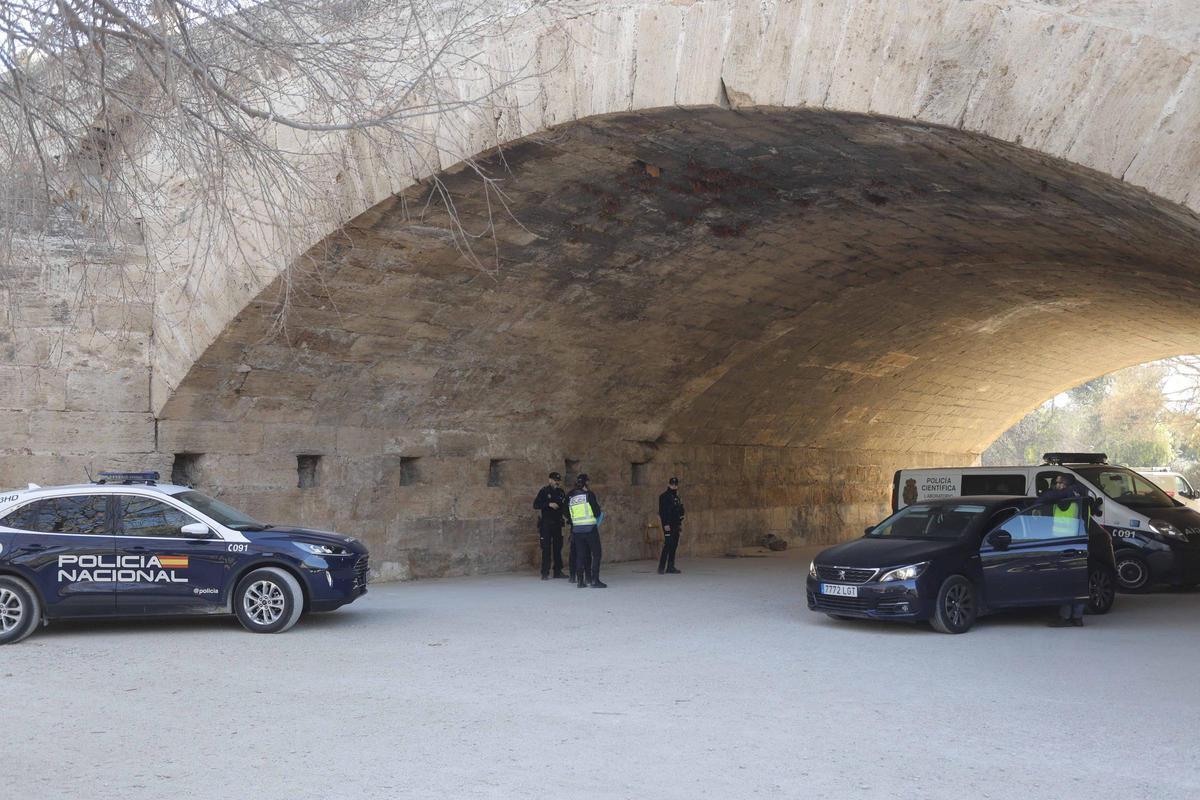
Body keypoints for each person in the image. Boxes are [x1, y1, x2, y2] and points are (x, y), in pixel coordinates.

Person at [1039, 473, 1089, 627]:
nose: (1058, 486)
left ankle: (1066, 618)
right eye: (1057, 483)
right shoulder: (1079, 497)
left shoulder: (1067, 499)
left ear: (1069, 486)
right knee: (1077, 583)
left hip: (1066, 546)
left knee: (1065, 584)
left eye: (1062, 484)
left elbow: (1044, 498)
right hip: (1077, 545)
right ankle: (1077, 618)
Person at [567, 473, 605, 588]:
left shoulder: (571, 497)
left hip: (577, 530)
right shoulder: (588, 495)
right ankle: (595, 580)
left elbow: (569, 514)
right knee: (596, 554)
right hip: (590, 529)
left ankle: (580, 581)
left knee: (580, 555)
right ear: (586, 483)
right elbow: (597, 512)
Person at [532, 471, 568, 580]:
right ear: (550, 480)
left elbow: (564, 507)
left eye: (558, 481)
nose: (557, 482)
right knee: (546, 548)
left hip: (557, 524)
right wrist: (548, 504)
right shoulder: (544, 491)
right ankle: (545, 573)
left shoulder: (561, 492)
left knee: (558, 548)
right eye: (555, 480)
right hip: (546, 524)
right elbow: (536, 505)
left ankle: (558, 571)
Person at [657, 476, 685, 574]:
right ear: (669, 484)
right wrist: (665, 524)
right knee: (667, 544)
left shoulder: (677, 497)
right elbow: (663, 512)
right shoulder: (664, 496)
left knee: (674, 545)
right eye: (672, 484)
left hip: (676, 524)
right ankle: (661, 567)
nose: (674, 486)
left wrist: (680, 523)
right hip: (668, 524)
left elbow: (680, 511)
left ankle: (670, 566)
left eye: (675, 485)